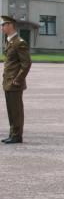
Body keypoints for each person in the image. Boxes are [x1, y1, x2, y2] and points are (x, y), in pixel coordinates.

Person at [1, 15, 32, 144]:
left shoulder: (20, 42)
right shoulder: (9, 41)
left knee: (16, 110)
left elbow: (26, 63)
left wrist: (18, 80)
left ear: (10, 25)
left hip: (14, 82)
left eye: (3, 25)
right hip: (8, 82)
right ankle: (13, 134)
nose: (2, 27)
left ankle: (17, 136)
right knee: (11, 110)